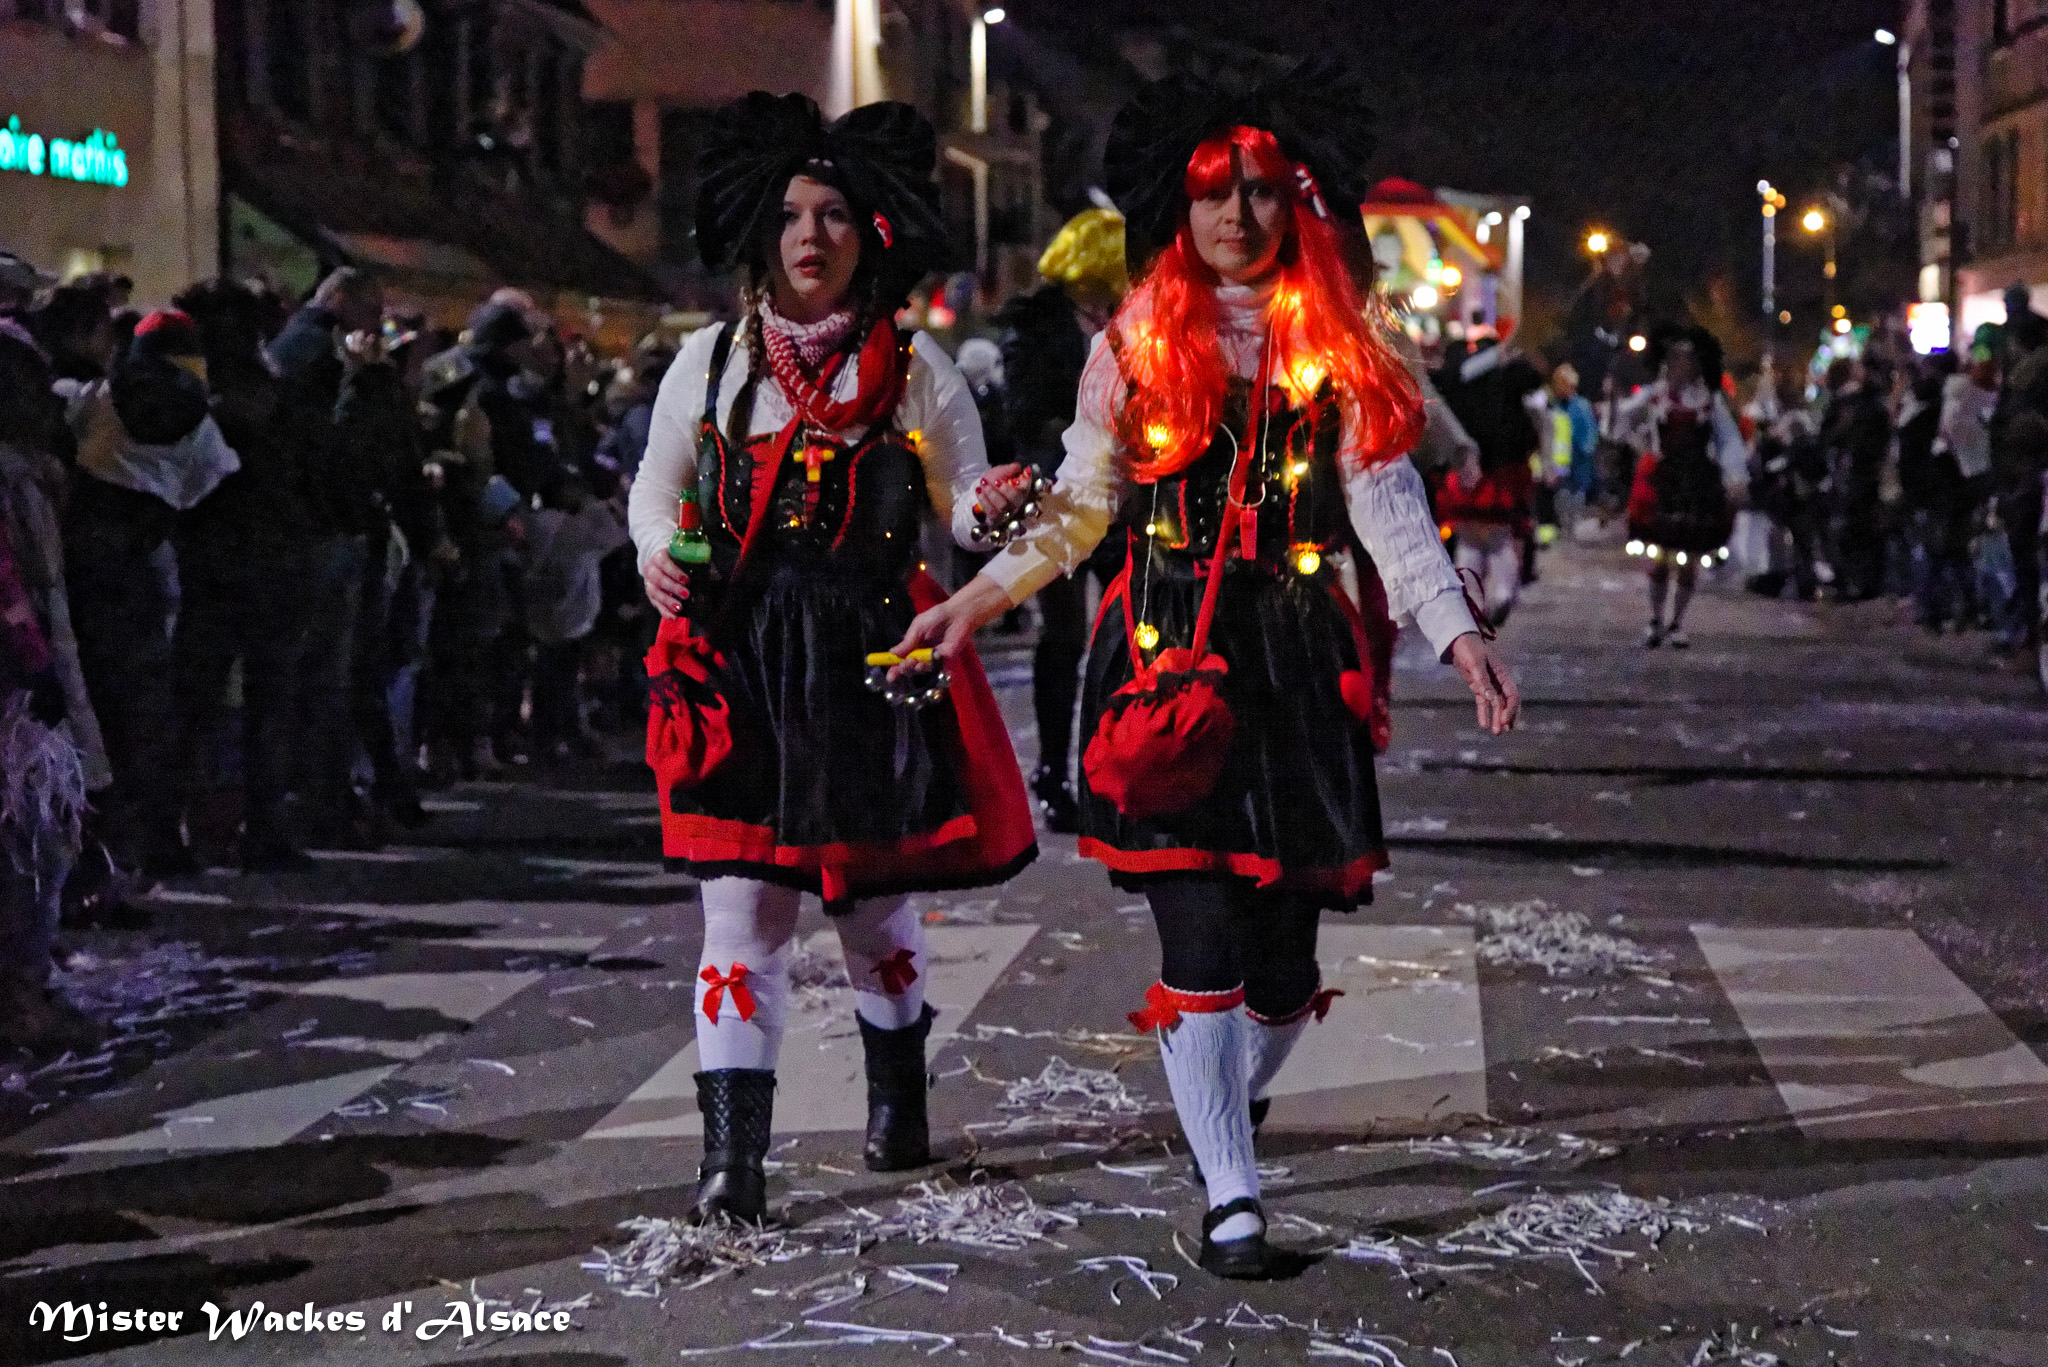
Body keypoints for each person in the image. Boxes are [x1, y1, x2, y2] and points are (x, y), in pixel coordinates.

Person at [893, 59, 1519, 1279]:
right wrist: (972, 598)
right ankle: (1231, 1194)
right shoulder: (1133, 340)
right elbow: (1080, 505)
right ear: (1177, 209)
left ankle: (1227, 1095)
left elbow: (1387, 506)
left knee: (1284, 965)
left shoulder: (1338, 341)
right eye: (1212, 191)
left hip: (1292, 660)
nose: (1237, 212)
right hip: (1165, 657)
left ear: (1295, 203)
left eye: (1260, 189)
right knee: (1200, 936)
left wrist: (1458, 631)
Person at [626, 92, 1036, 1224]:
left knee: (871, 911)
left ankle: (897, 1095)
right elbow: (655, 490)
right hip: (742, 661)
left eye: (835, 215)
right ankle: (732, 1161)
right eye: (791, 215)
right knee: (741, 915)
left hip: (871, 658)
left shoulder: (916, 365)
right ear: (758, 231)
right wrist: (657, 553)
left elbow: (963, 511)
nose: (810, 236)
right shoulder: (710, 362)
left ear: (871, 232)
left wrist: (996, 507)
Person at [996, 204, 1131, 829]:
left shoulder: (1129, 319)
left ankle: (1115, 763)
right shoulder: (1036, 324)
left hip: (1124, 497)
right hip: (1058, 493)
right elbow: (1023, 413)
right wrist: (1080, 449)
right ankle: (1054, 770)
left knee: (1126, 632)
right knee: (1064, 637)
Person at [1616, 325, 1744, 647]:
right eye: (1676, 358)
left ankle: (1677, 622)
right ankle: (1656, 619)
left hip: (1697, 482)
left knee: (1689, 556)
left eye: (1687, 359)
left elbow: (1728, 440)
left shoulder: (1710, 400)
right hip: (1664, 479)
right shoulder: (1655, 395)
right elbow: (1622, 421)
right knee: (1659, 555)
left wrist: (1734, 476)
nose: (1680, 365)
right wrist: (1640, 443)